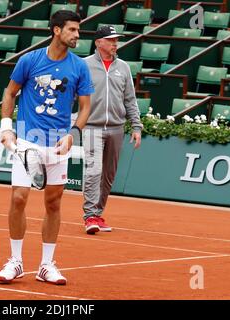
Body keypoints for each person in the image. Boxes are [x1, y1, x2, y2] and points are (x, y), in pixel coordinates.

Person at [0, 10, 94, 285]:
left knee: (53, 202)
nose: (77, 35)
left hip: (59, 143)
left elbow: (86, 106)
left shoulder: (79, 67)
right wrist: (6, 127)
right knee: (18, 198)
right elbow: (9, 92)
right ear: (57, 30)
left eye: (78, 30)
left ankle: (46, 265)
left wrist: (74, 133)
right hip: (27, 140)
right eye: (72, 30)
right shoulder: (30, 60)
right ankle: (15, 261)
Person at [82, 25, 142, 235]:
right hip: (91, 127)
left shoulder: (123, 67)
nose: (115, 43)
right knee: (93, 171)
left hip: (117, 128)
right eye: (111, 40)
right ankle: (89, 216)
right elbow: (72, 95)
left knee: (108, 175)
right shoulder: (84, 65)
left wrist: (136, 126)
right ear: (99, 43)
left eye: (116, 40)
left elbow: (130, 99)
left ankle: (98, 213)